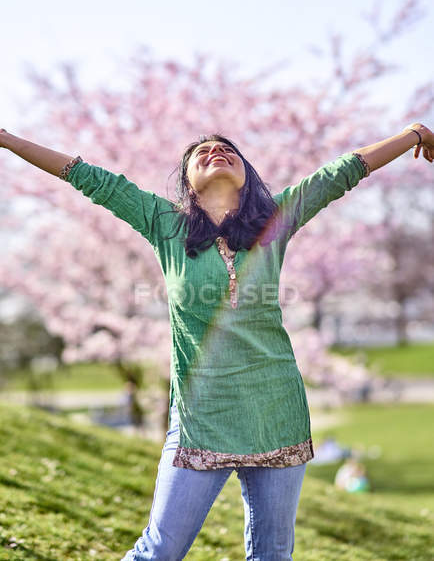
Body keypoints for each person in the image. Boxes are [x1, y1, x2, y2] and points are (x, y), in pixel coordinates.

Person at [1, 123, 432, 560]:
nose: (216, 152)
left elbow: (344, 170)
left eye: (227, 149)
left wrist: (414, 134)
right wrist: (8, 139)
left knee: (272, 554)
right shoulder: (163, 224)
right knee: (159, 550)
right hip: (200, 419)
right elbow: (85, 175)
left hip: (277, 412)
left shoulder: (275, 220)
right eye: (202, 151)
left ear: (246, 172)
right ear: (187, 179)